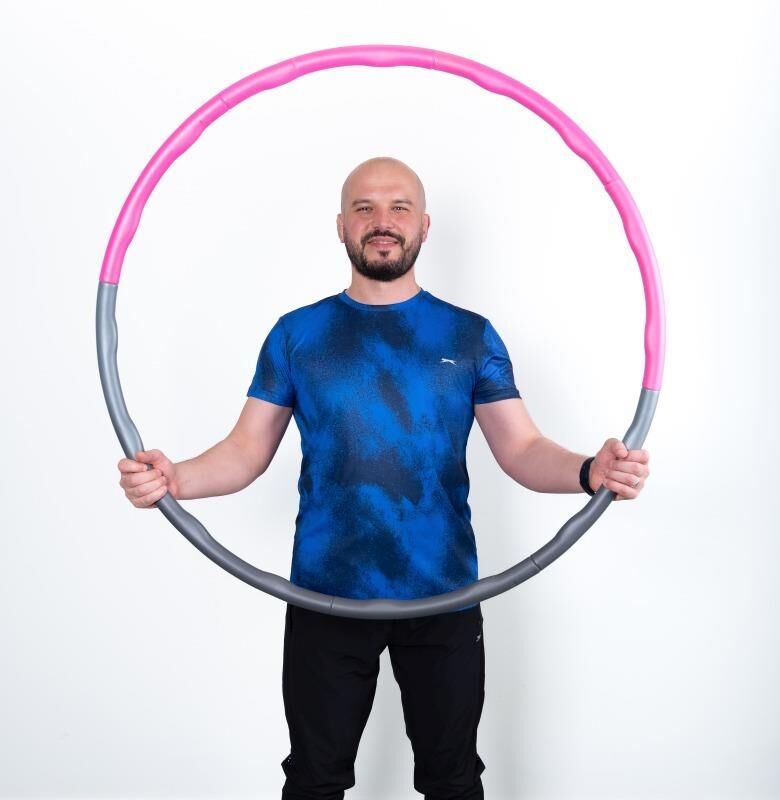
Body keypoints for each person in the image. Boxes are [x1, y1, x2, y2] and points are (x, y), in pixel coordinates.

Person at [117, 156, 651, 799]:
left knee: (454, 782)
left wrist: (591, 470)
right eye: (364, 208)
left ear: (424, 225)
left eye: (399, 207)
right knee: (313, 782)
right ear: (341, 226)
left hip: (443, 594)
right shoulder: (297, 335)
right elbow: (245, 451)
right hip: (327, 594)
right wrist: (174, 479)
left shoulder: (470, 335)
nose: (382, 221)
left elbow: (522, 449)